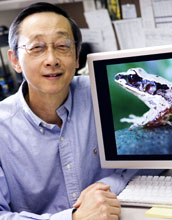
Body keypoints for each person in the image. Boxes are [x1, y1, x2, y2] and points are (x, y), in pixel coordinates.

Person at [0, 2, 162, 220]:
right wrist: (74, 218)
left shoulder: (99, 93)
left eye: (63, 46)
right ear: (15, 60)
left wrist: (108, 185)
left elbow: (151, 162)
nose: (52, 60)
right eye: (37, 47)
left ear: (77, 57)